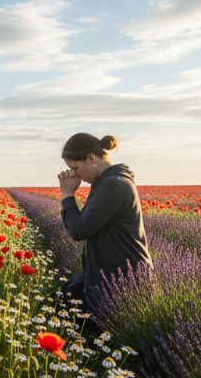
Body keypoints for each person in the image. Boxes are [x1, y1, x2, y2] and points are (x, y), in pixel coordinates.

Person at [56, 133, 152, 317]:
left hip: (122, 284)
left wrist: (67, 194)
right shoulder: (107, 183)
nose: (75, 175)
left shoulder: (114, 185)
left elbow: (78, 229)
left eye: (75, 168)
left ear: (92, 158)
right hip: (109, 278)